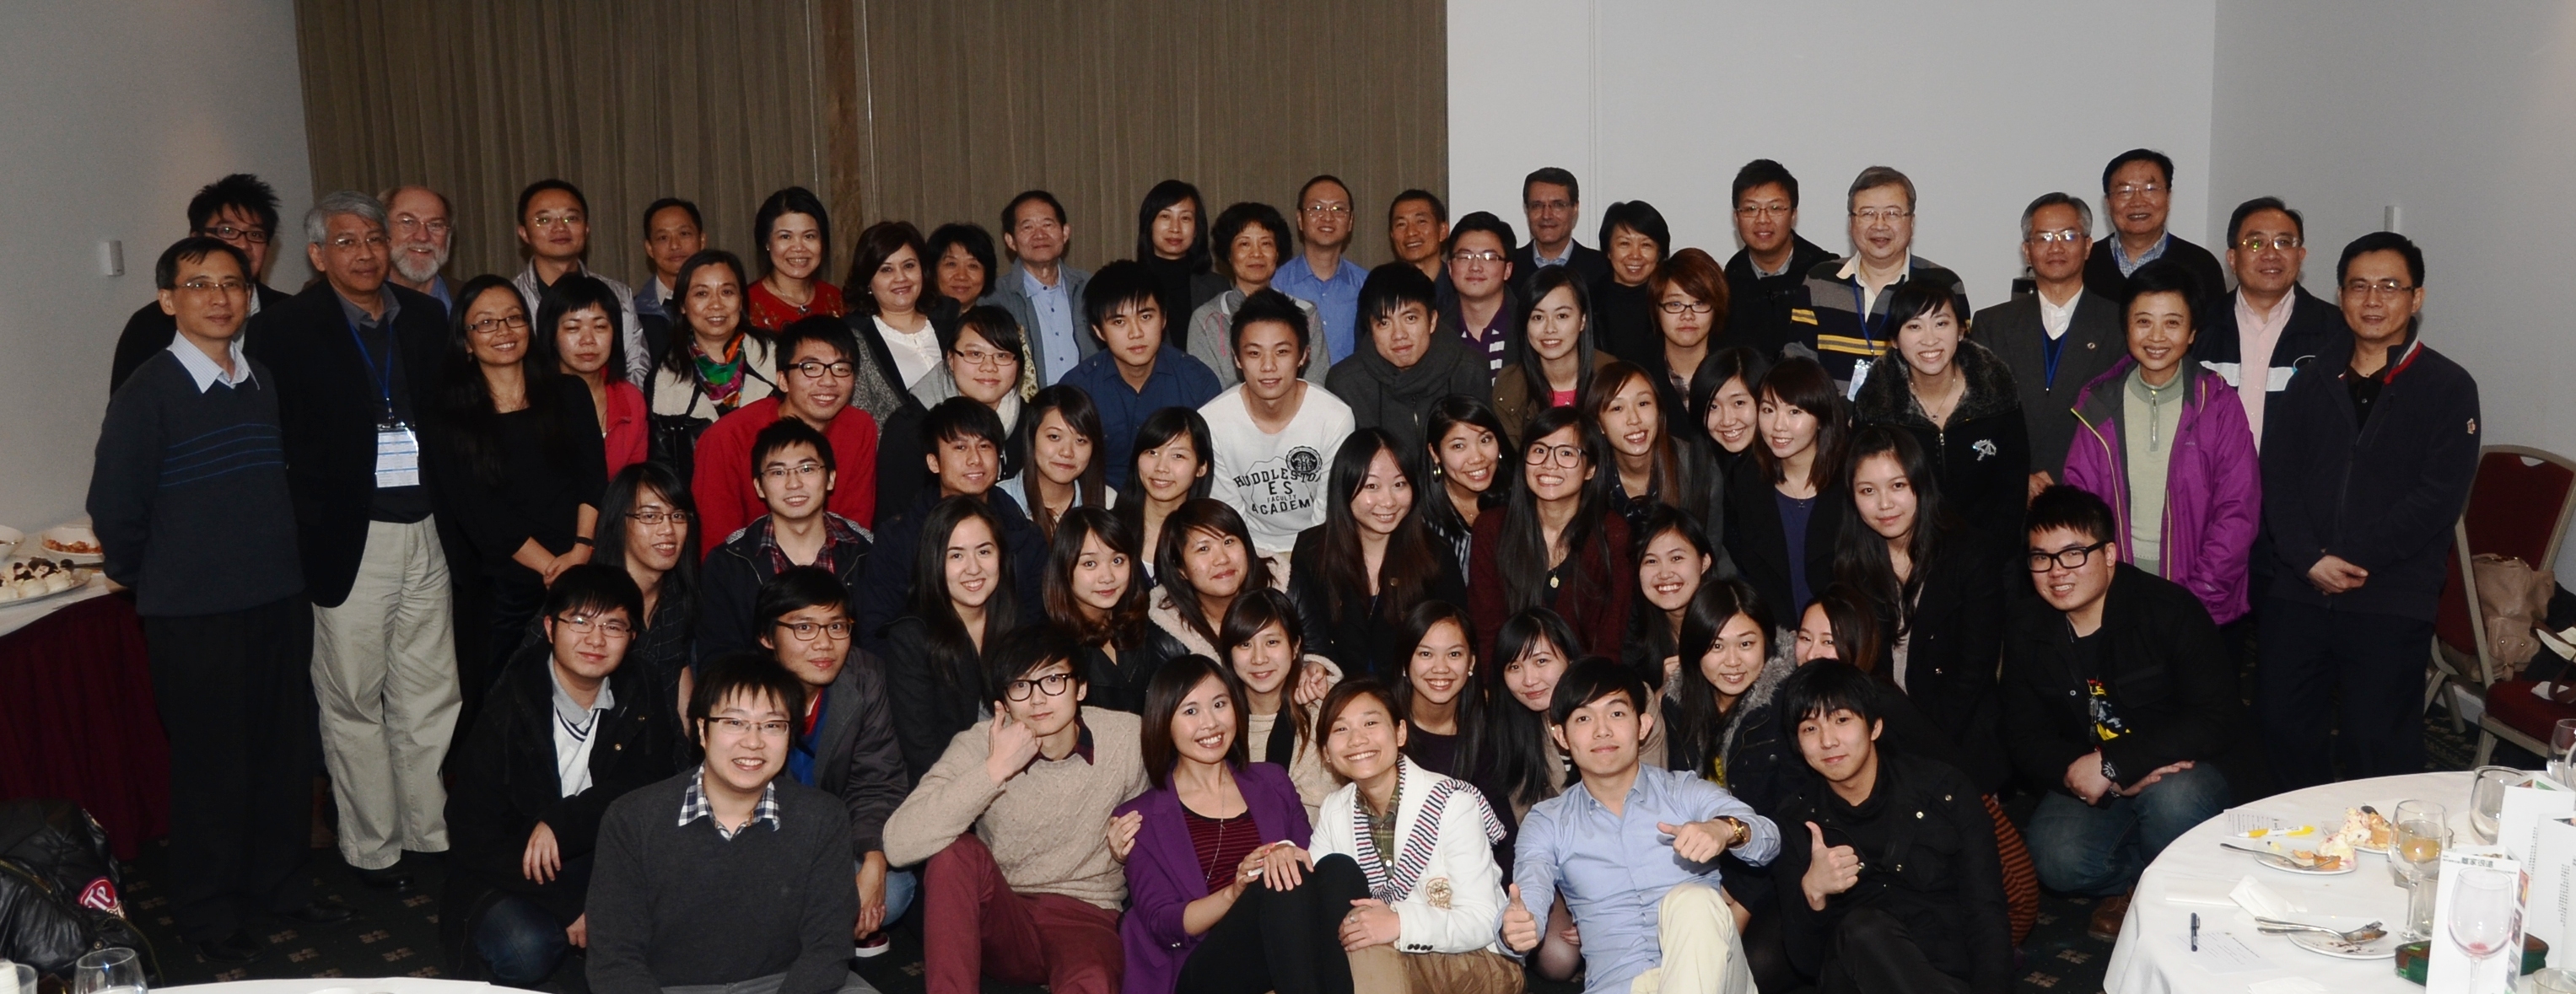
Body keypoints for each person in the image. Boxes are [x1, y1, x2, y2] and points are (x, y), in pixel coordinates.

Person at [89, 236, 342, 963]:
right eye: (199, 284)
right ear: (168, 299)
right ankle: (207, 912)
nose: (220, 297)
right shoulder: (148, 392)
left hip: (278, 599)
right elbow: (115, 510)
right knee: (213, 769)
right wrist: (162, 580)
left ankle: (282, 885)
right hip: (194, 615)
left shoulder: (259, 378)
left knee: (284, 754)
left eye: (232, 283)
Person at [248, 191, 458, 892]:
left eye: (373, 238)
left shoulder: (425, 318)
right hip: (347, 538)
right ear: (317, 255)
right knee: (354, 701)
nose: (365, 253)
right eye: (346, 242)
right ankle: (373, 848)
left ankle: (429, 832)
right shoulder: (282, 330)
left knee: (431, 692)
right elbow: (273, 441)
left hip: (427, 528)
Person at [2258, 232, 2479, 788]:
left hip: (2390, 592)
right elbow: (2277, 477)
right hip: (2300, 585)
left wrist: (2351, 558)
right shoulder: (2311, 379)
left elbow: (2437, 497)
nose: (2373, 300)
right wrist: (2310, 558)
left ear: (2416, 297)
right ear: (2340, 296)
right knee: (2283, 731)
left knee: (2377, 748)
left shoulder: (2448, 387)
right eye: (2359, 286)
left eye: (2390, 286)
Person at [2006, 486, 2235, 931]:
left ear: (2109, 554)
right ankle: (2140, 881)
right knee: (2056, 858)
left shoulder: (2168, 610)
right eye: (2041, 558)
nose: (2056, 572)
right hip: (2094, 775)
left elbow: (2218, 716)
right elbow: (2023, 736)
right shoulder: (2025, 625)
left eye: (2073, 554)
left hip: (2180, 767)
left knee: (2176, 801)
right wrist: (2093, 776)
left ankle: (2175, 886)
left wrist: (2117, 764)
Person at [440, 566, 676, 986]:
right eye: (580, 621)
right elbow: (472, 832)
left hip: (601, 858)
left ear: (632, 637)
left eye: (613, 626)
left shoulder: (640, 683)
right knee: (526, 947)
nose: (596, 640)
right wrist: (569, 905)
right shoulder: (511, 702)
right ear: (550, 628)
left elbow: (649, 782)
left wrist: (562, 822)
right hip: (509, 866)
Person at [584, 653, 872, 994]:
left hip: (788, 983)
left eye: (772, 725)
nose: (753, 742)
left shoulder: (822, 817)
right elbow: (614, 959)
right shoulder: (632, 819)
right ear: (702, 730)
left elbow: (828, 948)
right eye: (735, 722)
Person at [881, 627, 1149, 994]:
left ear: (1081, 688)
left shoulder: (1127, 737)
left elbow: (1171, 820)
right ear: (1003, 703)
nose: (1038, 699)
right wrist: (993, 771)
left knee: (1093, 980)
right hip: (1004, 915)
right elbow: (898, 845)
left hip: (1086, 914)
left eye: (1053, 680)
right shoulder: (980, 745)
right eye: (1021, 686)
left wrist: (1128, 851)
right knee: (954, 853)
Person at [1506, 658, 1778, 994]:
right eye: (1584, 718)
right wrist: (1516, 927)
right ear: (1561, 735)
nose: (1602, 730)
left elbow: (1768, 839)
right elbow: (1530, 891)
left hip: (1719, 980)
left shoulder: (1683, 792)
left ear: (1643, 725)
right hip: (1619, 986)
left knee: (1694, 902)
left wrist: (1725, 830)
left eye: (1617, 713)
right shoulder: (1547, 822)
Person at [1768, 660, 2013, 994]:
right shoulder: (1796, 822)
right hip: (1855, 979)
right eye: (1810, 729)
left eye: (1841, 720)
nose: (1827, 741)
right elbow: (1807, 963)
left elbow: (1986, 913)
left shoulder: (1944, 791)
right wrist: (1814, 891)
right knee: (1862, 930)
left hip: (1948, 971)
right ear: (1797, 743)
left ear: (1875, 727)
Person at [1275, 680, 1524, 994]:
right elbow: (1322, 887)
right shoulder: (1335, 809)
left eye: (1370, 723)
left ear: (1400, 733)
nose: (1357, 739)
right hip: (1388, 955)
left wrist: (1399, 923)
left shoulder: (1452, 802)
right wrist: (1285, 852)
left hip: (1474, 959)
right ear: (1325, 752)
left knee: (1363, 947)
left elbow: (1482, 919)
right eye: (1340, 729)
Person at [2061, 260, 2261, 626]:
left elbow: (2237, 510)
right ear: (2126, 327)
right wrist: (2101, 588)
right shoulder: (2099, 404)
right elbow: (2079, 508)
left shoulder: (2218, 404)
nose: (2156, 337)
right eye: (2143, 321)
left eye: (2172, 323)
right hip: (2115, 593)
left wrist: (2197, 598)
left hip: (2201, 599)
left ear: (2192, 331)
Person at [436, 276, 607, 687]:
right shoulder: (451, 417)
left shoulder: (569, 392)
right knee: (507, 695)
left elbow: (593, 478)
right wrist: (553, 569)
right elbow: (481, 514)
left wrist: (580, 551)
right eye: (486, 323)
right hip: (504, 589)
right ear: (465, 340)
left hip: (581, 565)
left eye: (514, 318)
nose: (504, 331)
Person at [1110, 656, 1318, 994]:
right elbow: (1162, 924)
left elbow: (1311, 866)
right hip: (1199, 964)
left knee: (1315, 872)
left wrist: (1286, 854)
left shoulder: (1273, 781)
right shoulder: (1139, 818)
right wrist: (1235, 891)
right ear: (1164, 721)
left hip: (1279, 946)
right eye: (1190, 711)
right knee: (1270, 884)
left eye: (1220, 704)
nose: (1210, 723)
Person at [1832, 425, 2009, 788]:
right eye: (1868, 491)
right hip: (1883, 743)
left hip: (1960, 743)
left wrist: (1923, 752)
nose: (1884, 504)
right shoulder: (1851, 564)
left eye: (1898, 485)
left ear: (1921, 484)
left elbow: (1973, 673)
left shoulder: (1970, 554)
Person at [753, 567, 913, 958]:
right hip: (765, 846)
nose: (824, 644)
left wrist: (874, 861)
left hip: (839, 838)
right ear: (767, 636)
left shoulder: (865, 678)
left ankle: (798, 932)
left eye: (837, 627)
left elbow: (877, 781)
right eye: (804, 628)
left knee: (894, 892)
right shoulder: (744, 691)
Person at [1850, 281, 2029, 549]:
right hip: (1904, 555)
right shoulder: (1876, 406)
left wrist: (1986, 558)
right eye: (1914, 326)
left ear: (1961, 331)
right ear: (1894, 340)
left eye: (1941, 323)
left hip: (1989, 555)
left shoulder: (1997, 394)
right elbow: (1864, 492)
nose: (1930, 339)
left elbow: (2012, 492)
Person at [854, 397, 1048, 642]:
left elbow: (1037, 628)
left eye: (984, 446)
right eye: (960, 447)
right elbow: (877, 629)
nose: (975, 459)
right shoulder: (899, 538)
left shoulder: (1025, 536)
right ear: (933, 462)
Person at [692, 316, 883, 552]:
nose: (828, 381)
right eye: (811, 368)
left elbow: (855, 533)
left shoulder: (859, 427)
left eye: (841, 369)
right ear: (783, 380)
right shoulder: (727, 437)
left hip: (832, 568)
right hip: (750, 568)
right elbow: (718, 545)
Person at [1973, 193, 2125, 489]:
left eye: (2068, 236)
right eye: (2043, 238)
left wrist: (2058, 472)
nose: (2056, 247)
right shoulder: (1992, 325)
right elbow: (1979, 416)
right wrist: (2018, 476)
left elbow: (2118, 418)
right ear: (2027, 251)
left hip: (2087, 490)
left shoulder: (2118, 324)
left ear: (2088, 246)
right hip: (2008, 490)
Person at [1290, 428, 1469, 681]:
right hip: (1337, 692)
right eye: (1371, 486)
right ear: (1345, 487)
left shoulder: (1435, 555)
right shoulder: (1311, 550)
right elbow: (1304, 637)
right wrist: (1315, 665)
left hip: (1414, 693)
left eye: (1399, 484)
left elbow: (1459, 636)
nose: (1388, 501)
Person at [700, 418, 874, 661]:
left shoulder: (868, 554)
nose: (794, 484)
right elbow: (719, 662)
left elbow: (880, 652)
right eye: (778, 472)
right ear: (759, 487)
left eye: (807, 469)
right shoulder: (728, 564)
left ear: (831, 479)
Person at [1469, 406, 1635, 658]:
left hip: (1587, 679)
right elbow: (1488, 632)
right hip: (1512, 676)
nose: (1549, 464)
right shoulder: (1492, 529)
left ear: (1591, 469)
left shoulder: (1614, 535)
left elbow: (1611, 641)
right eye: (1539, 450)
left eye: (1566, 453)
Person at [880, 497, 1026, 779]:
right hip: (947, 786)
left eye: (984, 551)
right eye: (956, 555)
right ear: (934, 561)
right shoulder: (910, 638)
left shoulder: (1014, 619)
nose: (973, 568)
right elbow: (922, 755)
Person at [1201, 289, 1354, 556]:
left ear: (1303, 355)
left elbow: (1328, 516)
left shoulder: (1335, 418)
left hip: (1319, 549)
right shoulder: (1212, 421)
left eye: (1282, 352)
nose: (1268, 366)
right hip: (1246, 550)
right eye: (1254, 353)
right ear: (1237, 358)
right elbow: (1229, 519)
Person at [110, 174, 295, 394]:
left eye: (256, 234)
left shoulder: (292, 316)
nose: (243, 245)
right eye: (228, 231)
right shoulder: (150, 325)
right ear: (196, 239)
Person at [1797, 166, 1970, 392]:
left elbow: (1963, 367)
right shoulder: (1819, 280)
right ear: (1851, 222)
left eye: (1892, 213)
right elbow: (1799, 367)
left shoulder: (1943, 284)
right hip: (1832, 414)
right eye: (1868, 213)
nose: (1880, 225)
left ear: (1911, 221)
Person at [2194, 196, 2346, 449]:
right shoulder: (2198, 327)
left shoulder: (2336, 331)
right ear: (2232, 258)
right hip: (2213, 473)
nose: (2271, 254)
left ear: (2301, 255)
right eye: (2256, 243)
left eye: (2283, 242)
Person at [1059, 260, 1225, 486]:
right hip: (1101, 504)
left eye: (1145, 317)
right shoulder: (1078, 387)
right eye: (1119, 322)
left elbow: (1211, 468)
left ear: (1164, 318)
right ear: (1098, 331)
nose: (1135, 333)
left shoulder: (1198, 382)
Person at [1724, 356, 1847, 618]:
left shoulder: (1851, 480)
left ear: (1822, 417)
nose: (1778, 426)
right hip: (1775, 628)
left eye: (1794, 412)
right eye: (1769, 410)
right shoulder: (1748, 479)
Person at [876, 306, 1029, 515]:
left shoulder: (1032, 423)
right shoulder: (910, 428)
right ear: (950, 359)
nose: (989, 367)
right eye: (975, 354)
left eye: (1002, 355)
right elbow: (895, 520)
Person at [1330, 263, 1492, 458]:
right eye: (1384, 323)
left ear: (1432, 321)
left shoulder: (1470, 370)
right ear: (1370, 330)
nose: (1399, 335)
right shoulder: (1346, 384)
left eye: (1410, 319)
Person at [1044, 507, 1186, 717]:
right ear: (1064, 568)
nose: (1107, 577)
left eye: (1117, 560)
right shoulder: (1050, 647)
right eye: (1090, 563)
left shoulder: (1151, 622)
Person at [645, 250, 776, 476]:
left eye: (727, 292)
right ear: (682, 305)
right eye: (702, 293)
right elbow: (663, 475)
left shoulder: (780, 359)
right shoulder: (662, 382)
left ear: (741, 300)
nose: (716, 304)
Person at [509, 179, 649, 384]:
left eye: (571, 218)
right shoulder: (509, 300)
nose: (559, 228)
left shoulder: (617, 294)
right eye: (544, 220)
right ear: (524, 233)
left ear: (586, 228)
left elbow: (637, 367)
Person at [1219, 588, 1340, 814]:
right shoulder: (1217, 721)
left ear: (1295, 647)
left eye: (1272, 642)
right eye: (1245, 645)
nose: (1259, 658)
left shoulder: (1327, 707)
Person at [589, 463, 699, 707]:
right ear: (619, 521)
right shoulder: (584, 597)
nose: (668, 529)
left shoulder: (676, 597)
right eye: (650, 516)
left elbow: (676, 673)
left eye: (678, 516)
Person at [1587, 360, 1726, 541]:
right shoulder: (1586, 474)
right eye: (1617, 408)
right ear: (1599, 424)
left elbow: (1710, 546)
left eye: (1643, 403)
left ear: (1659, 411)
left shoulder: (1699, 466)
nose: (1634, 419)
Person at [1186, 202, 1324, 385]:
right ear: (1229, 254)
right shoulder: (1206, 320)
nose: (1256, 253)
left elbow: (1316, 386)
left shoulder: (1306, 313)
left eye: (1266, 243)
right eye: (1244, 244)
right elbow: (1205, 390)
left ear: (1277, 253)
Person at [2083, 149, 2228, 307]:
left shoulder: (2201, 265)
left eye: (2150, 189)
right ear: (2108, 203)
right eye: (2125, 191)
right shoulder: (2084, 262)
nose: (2138, 202)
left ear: (2168, 197)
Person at [1722, 160, 1836, 362]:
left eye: (1775, 208)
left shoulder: (1825, 274)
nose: (1763, 219)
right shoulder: (1725, 284)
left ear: (1793, 214)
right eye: (1751, 209)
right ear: (1736, 217)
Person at [537, 275, 647, 476]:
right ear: (551, 334)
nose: (588, 340)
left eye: (600, 327)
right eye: (573, 328)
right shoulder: (531, 400)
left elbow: (634, 483)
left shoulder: (631, 400)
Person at [983, 191, 1094, 385]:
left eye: (1048, 224)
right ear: (1010, 241)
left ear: (1065, 232)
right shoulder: (994, 298)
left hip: (1089, 402)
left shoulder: (1091, 288)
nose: (1040, 235)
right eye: (1028, 227)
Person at [1483, 608, 1585, 820]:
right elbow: (1528, 820)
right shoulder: (1507, 730)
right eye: (1514, 667)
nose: (1529, 680)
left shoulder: (1626, 703)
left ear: (1570, 659)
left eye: (1541, 661)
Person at [1149, 498, 1285, 658]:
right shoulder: (1166, 633)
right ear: (1180, 569)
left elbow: (1309, 656)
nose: (1222, 559)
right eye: (1203, 549)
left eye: (1228, 542)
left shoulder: (1284, 588)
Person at [845, 221, 953, 415]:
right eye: (886, 270)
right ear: (868, 280)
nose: (901, 278)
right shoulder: (852, 338)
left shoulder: (950, 320)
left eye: (909, 266)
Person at [1492, 266, 1612, 434]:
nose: (1549, 329)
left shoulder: (1612, 376)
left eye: (1562, 316)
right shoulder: (1510, 385)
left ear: (1583, 320)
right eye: (1538, 317)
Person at [1274, 175, 1369, 365]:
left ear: (1351, 221)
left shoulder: (1367, 285)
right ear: (1300, 219)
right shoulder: (1275, 285)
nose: (1327, 217)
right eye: (1317, 208)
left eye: (1338, 209)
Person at [1625, 506, 1718, 693]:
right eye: (1651, 561)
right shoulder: (1633, 633)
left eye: (1676, 558)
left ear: (1704, 562)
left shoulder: (1733, 619)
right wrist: (1662, 695)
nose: (1665, 573)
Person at [1419, 397, 1515, 578]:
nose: (1477, 458)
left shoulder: (1520, 503)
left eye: (1485, 440)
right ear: (1435, 453)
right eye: (1459, 446)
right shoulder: (1419, 520)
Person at [1005, 384, 1113, 542]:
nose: (1067, 452)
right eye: (1054, 437)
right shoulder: (997, 502)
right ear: (1031, 437)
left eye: (1080, 440)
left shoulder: (1109, 502)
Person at [1118, 407, 1215, 577]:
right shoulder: (1108, 530)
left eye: (1178, 456)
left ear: (1201, 468)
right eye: (1152, 453)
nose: (1161, 467)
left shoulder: (1214, 538)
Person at [747, 186, 847, 334]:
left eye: (809, 236)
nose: (799, 248)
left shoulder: (834, 298)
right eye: (785, 237)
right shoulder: (747, 305)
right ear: (767, 242)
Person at [1644, 249, 1731, 408]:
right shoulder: (1638, 375)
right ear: (1657, 310)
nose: (1688, 315)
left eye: (1699, 303)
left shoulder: (1738, 371)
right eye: (1675, 304)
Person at [1441, 212, 1522, 377]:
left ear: (1508, 270)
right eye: (1465, 256)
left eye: (1488, 257)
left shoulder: (1529, 327)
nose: (1475, 267)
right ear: (1450, 268)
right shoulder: (1436, 332)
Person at [1136, 180, 1228, 324]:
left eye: (1185, 218)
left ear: (1196, 229)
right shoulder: (1127, 285)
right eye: (1165, 216)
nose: (1175, 228)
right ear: (1149, 224)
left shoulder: (1217, 287)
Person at [1590, 200, 1670, 367]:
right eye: (1624, 244)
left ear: (1659, 254)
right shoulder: (1587, 301)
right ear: (1608, 251)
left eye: (1646, 245)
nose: (1635, 255)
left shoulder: (1673, 303)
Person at [1510, 167, 1611, 291]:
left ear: (1575, 208)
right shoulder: (1507, 267)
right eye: (1537, 206)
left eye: (1558, 205)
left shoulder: (1603, 268)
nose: (1546, 215)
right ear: (1527, 210)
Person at [632, 197, 706, 360]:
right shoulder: (632, 314)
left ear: (702, 240)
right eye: (663, 238)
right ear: (649, 248)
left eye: (684, 234)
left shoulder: (724, 306)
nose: (675, 245)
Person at [1687, 346, 1770, 481]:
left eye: (1739, 403)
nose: (1727, 421)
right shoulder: (1694, 468)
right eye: (1713, 406)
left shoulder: (1787, 471)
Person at [382, 185, 457, 309]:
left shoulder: (473, 302)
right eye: (408, 222)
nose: (423, 237)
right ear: (382, 230)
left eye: (435, 225)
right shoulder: (355, 303)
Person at [928, 222, 1001, 312]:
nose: (962, 276)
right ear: (932, 270)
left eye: (973, 266)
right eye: (951, 264)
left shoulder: (997, 320)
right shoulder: (917, 320)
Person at [1386, 189, 1451, 286]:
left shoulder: (1460, 288)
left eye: (1421, 222)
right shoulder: (1382, 289)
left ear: (1442, 231)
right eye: (1401, 224)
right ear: (1392, 235)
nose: (1411, 232)